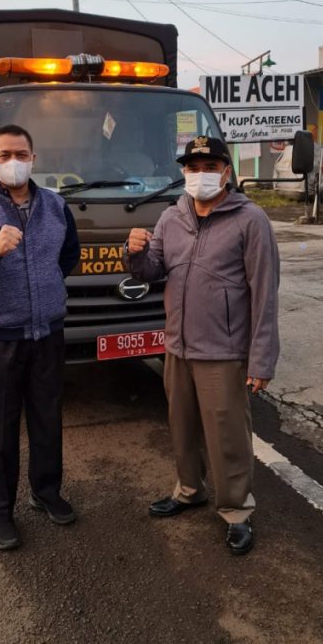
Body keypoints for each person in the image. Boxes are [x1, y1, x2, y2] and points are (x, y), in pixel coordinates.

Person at [125, 135, 279, 555]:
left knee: (227, 435)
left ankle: (236, 511)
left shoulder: (250, 221)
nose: (200, 175)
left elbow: (264, 294)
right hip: (178, 346)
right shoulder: (171, 218)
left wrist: (261, 359)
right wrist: (133, 254)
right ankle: (189, 489)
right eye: (193, 168)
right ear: (184, 173)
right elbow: (152, 270)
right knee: (183, 427)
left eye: (210, 167)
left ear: (226, 172)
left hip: (223, 351)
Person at [0, 124, 80, 551]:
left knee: (47, 417)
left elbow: (69, 257)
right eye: (3, 155)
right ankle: (1, 512)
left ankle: (46, 492)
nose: (13, 162)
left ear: (33, 158)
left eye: (20, 154)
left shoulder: (57, 207)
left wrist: (43, 289)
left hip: (47, 332)